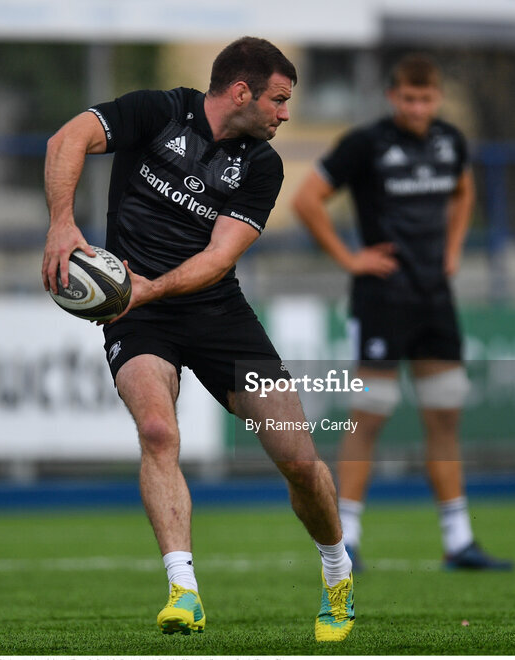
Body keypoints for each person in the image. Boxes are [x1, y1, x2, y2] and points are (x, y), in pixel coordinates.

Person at [41, 37, 354, 642]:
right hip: (139, 317)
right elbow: (66, 139)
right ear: (241, 92)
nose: (285, 114)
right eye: (279, 100)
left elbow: (217, 259)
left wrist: (142, 290)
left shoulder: (263, 165)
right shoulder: (157, 112)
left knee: (298, 461)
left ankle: (337, 569)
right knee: (158, 430)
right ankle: (183, 591)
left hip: (214, 311)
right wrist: (61, 225)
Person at [291, 53, 514, 573]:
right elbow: (307, 199)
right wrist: (350, 258)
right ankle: (347, 541)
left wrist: (454, 249)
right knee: (369, 415)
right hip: (381, 303)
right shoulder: (365, 144)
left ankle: (458, 542)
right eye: (409, 98)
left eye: (427, 98)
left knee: (444, 415)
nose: (418, 107)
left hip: (434, 301)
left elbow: (464, 191)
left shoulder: (450, 141)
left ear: (437, 99)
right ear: (393, 97)